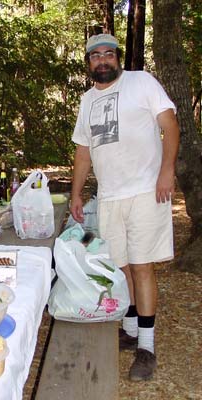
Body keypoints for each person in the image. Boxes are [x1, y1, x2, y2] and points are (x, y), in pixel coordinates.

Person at [70, 33, 180, 382]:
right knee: (121, 267)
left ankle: (147, 347)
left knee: (142, 265)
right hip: (110, 195)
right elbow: (83, 151)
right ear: (88, 63)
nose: (102, 60)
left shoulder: (141, 82)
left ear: (118, 58)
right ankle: (131, 330)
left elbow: (170, 125)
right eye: (95, 56)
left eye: (108, 54)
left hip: (146, 190)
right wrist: (76, 194)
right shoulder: (87, 100)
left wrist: (167, 171)